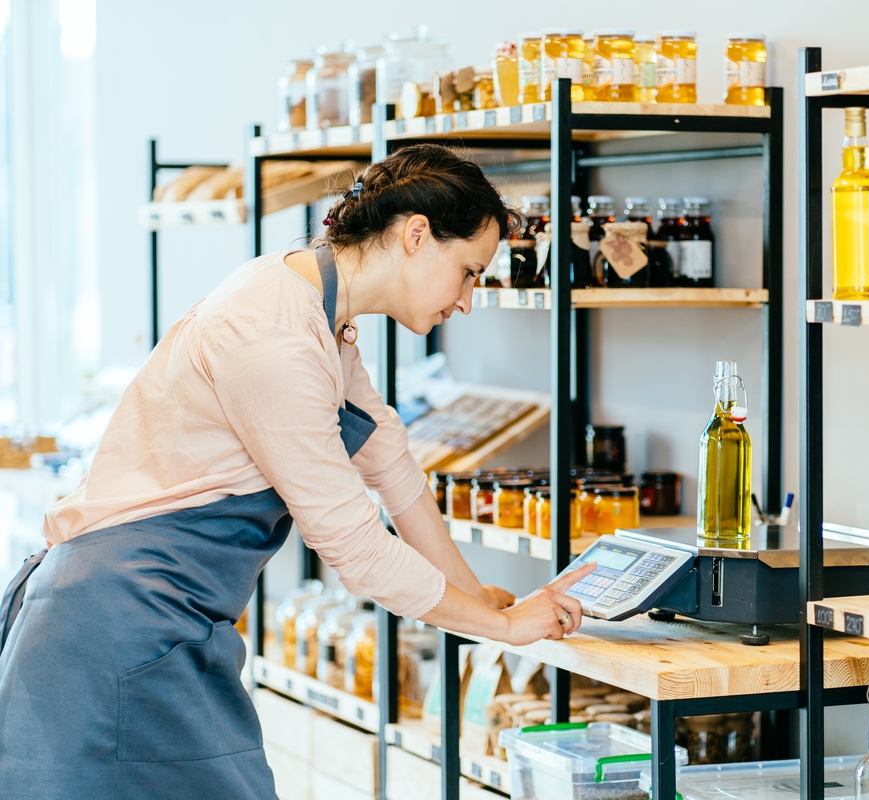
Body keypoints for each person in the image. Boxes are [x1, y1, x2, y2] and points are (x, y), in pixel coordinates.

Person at [0, 144, 596, 797]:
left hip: (155, 621)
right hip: (117, 629)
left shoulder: (316, 308)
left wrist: (470, 592)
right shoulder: (275, 335)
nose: (468, 301)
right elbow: (357, 552)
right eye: (469, 272)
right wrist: (504, 628)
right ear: (417, 236)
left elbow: (388, 457)